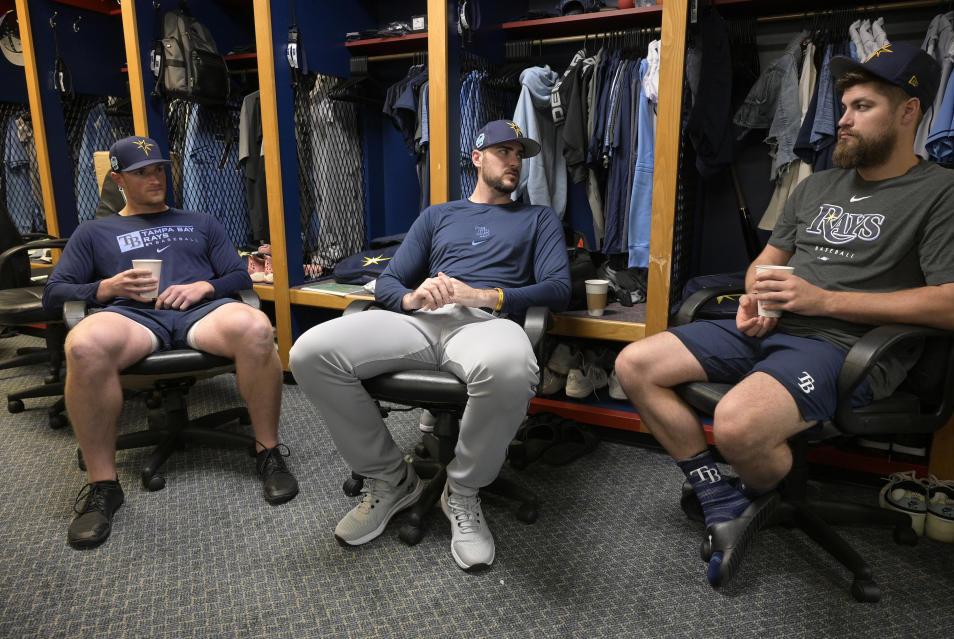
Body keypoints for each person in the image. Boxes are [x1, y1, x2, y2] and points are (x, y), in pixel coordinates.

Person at [615, 42, 954, 586]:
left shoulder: (944, 192)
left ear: (909, 112)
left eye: (861, 108)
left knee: (735, 425)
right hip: (776, 327)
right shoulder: (818, 185)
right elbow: (763, 266)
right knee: (635, 363)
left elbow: (953, 302)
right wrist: (758, 299)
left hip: (848, 348)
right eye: (842, 107)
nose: (841, 121)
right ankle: (719, 494)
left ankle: (757, 491)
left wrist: (823, 302)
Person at [289, 120, 571, 570]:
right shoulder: (439, 215)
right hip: (422, 320)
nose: (515, 160)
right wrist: (410, 297)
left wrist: (487, 296)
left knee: (511, 367)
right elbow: (388, 281)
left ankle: (463, 491)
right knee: (310, 352)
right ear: (477, 158)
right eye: (504, 151)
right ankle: (390, 480)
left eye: (520, 153)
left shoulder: (538, 218)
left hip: (485, 322)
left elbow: (559, 288)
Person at [42, 136, 299, 550]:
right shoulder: (94, 231)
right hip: (132, 316)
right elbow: (54, 293)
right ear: (118, 179)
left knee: (255, 326)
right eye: (141, 172)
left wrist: (204, 287)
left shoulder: (202, 221)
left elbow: (240, 277)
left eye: (159, 169)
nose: (154, 178)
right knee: (83, 345)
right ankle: (103, 486)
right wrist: (105, 287)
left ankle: (268, 451)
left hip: (199, 314)